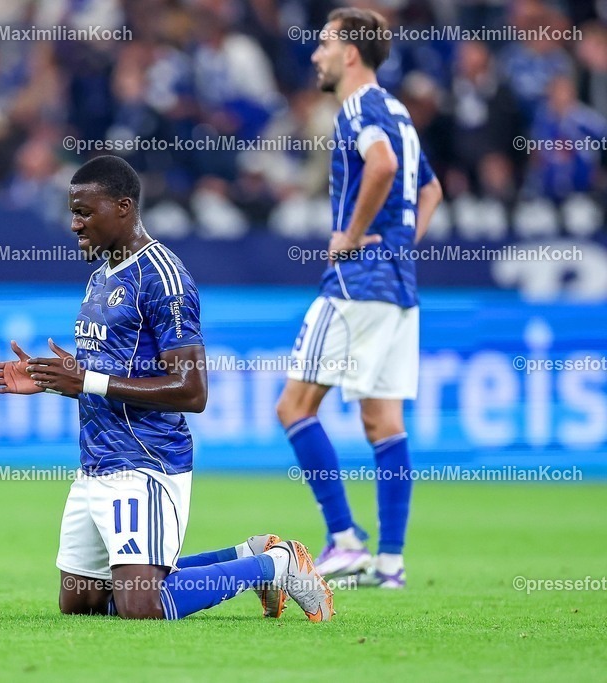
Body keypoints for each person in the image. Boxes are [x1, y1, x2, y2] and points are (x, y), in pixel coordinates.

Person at [0, 155, 334, 621]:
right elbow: (114, 373)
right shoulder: (98, 279)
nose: (74, 224)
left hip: (145, 461)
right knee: (82, 604)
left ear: (124, 208)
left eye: (85, 212)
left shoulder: (162, 276)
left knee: (141, 606)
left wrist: (86, 378)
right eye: (73, 212)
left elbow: (193, 391)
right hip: (96, 463)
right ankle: (245, 554)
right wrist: (60, 379)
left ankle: (275, 564)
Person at [275, 8, 443, 589]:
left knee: (293, 407)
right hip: (399, 286)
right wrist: (399, 246)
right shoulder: (398, 110)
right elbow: (433, 189)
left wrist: (350, 238)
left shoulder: (359, 107)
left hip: (358, 283)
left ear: (350, 52)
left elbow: (383, 165)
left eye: (323, 44)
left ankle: (344, 540)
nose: (316, 55)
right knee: (383, 421)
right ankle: (390, 563)